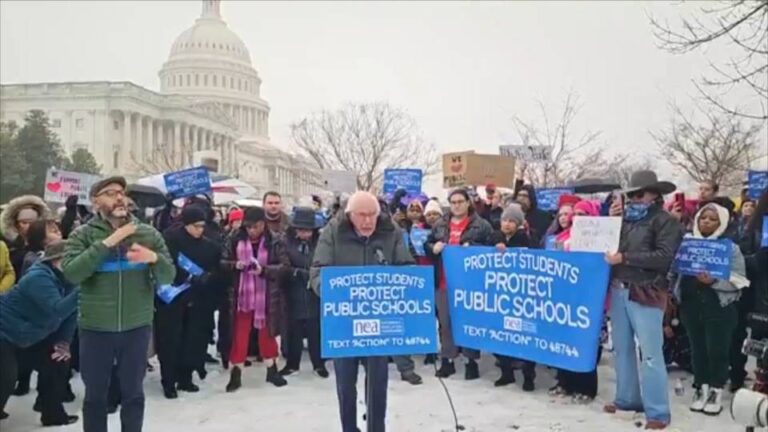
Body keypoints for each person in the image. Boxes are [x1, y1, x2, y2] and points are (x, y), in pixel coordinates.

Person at [62, 176, 175, 432]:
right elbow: (72, 273)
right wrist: (108, 243)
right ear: (95, 202)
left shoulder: (147, 233)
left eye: (121, 192)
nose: (119, 197)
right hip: (96, 328)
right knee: (95, 396)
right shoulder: (83, 235)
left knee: (133, 394)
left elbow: (169, 276)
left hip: (136, 326)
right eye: (110, 193)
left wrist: (154, 258)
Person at [310, 191, 415, 432]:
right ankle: (349, 427)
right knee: (345, 383)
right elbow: (317, 271)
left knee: (378, 383)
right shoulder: (333, 231)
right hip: (344, 321)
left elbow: (407, 267)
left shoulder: (391, 231)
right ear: (349, 215)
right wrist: (334, 291)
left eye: (372, 215)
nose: (368, 221)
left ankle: (376, 427)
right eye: (361, 215)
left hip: (379, 321)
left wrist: (399, 282)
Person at [603, 170, 682, 430]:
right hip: (619, 289)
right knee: (622, 348)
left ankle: (657, 412)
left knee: (650, 354)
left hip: (647, 290)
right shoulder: (623, 220)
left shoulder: (665, 221)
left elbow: (664, 257)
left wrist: (626, 258)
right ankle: (627, 399)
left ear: (654, 194)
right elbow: (605, 247)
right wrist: (610, 223)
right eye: (631, 195)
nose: (634, 199)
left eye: (639, 194)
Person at [671, 202, 749, 416]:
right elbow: (675, 271)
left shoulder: (730, 248)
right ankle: (700, 387)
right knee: (697, 349)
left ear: (721, 223)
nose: (706, 222)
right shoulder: (687, 244)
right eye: (703, 218)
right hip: (691, 305)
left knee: (717, 350)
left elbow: (740, 280)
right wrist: (673, 293)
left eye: (712, 219)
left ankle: (716, 389)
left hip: (719, 307)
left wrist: (714, 281)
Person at [0, 241, 79, 426]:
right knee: (6, 377)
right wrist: (84, 290)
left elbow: (70, 316)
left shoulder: (70, 281)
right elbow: (57, 309)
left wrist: (63, 343)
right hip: (4, 332)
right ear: (56, 260)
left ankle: (52, 414)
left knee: (57, 359)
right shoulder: (38, 277)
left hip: (30, 336)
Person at [425, 189, 492, 380]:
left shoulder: (481, 224)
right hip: (444, 280)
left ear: (468, 202)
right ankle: (448, 360)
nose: (456, 205)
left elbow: (491, 248)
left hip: (469, 283)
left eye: (460, 201)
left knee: (469, 321)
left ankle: (471, 361)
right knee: (445, 323)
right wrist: (433, 248)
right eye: (453, 202)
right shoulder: (440, 224)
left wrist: (474, 249)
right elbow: (427, 244)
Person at [156, 206, 223, 399]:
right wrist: (186, 276)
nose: (199, 230)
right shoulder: (170, 240)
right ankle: (168, 381)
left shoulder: (209, 246)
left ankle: (186, 378)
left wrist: (208, 278)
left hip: (197, 300)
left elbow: (215, 268)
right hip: (172, 299)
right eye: (195, 226)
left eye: (202, 226)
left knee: (192, 340)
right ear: (185, 224)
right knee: (170, 341)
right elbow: (165, 264)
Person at [222, 207, 290, 392]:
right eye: (249, 227)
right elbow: (222, 262)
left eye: (256, 226)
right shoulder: (234, 239)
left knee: (267, 333)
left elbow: (285, 267)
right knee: (239, 334)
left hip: (266, 295)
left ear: (263, 224)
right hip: (241, 295)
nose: (252, 230)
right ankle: (236, 372)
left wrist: (264, 270)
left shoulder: (275, 240)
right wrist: (235, 265)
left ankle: (272, 369)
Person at [548, 200, 604, 402]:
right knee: (563, 340)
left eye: (583, 214)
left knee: (585, 342)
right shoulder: (562, 236)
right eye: (576, 214)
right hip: (564, 296)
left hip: (587, 296)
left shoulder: (599, 239)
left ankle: (586, 387)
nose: (577, 218)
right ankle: (565, 382)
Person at [490, 203, 536, 391]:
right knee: (501, 335)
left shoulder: (526, 239)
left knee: (524, 335)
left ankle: (528, 375)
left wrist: (509, 250)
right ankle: (506, 372)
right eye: (505, 220)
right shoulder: (495, 237)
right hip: (501, 294)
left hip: (522, 295)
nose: (507, 224)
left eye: (511, 221)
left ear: (518, 224)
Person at [279, 207, 328, 378]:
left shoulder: (321, 243)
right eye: (300, 230)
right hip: (294, 290)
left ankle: (319, 364)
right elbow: (284, 265)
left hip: (315, 292)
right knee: (294, 330)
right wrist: (298, 273)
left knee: (316, 330)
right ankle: (292, 364)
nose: (304, 233)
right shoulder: (286, 242)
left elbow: (325, 262)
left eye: (307, 230)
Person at [0, 195, 50, 278]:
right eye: (24, 222)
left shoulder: (45, 245)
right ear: (16, 224)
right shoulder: (9, 247)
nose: (29, 226)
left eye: (32, 222)